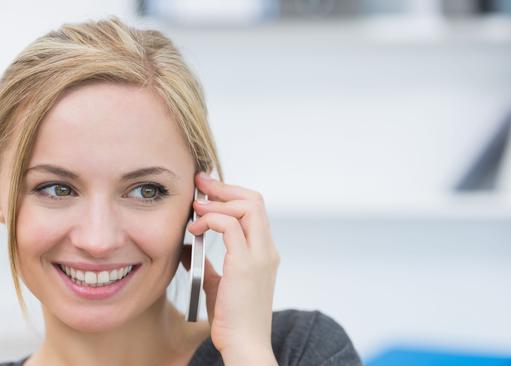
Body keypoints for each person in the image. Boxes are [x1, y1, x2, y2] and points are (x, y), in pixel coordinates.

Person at [0, 17, 362, 366]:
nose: (98, 240)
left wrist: (246, 354)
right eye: (57, 189)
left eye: (145, 191)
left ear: (200, 201)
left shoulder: (300, 351)